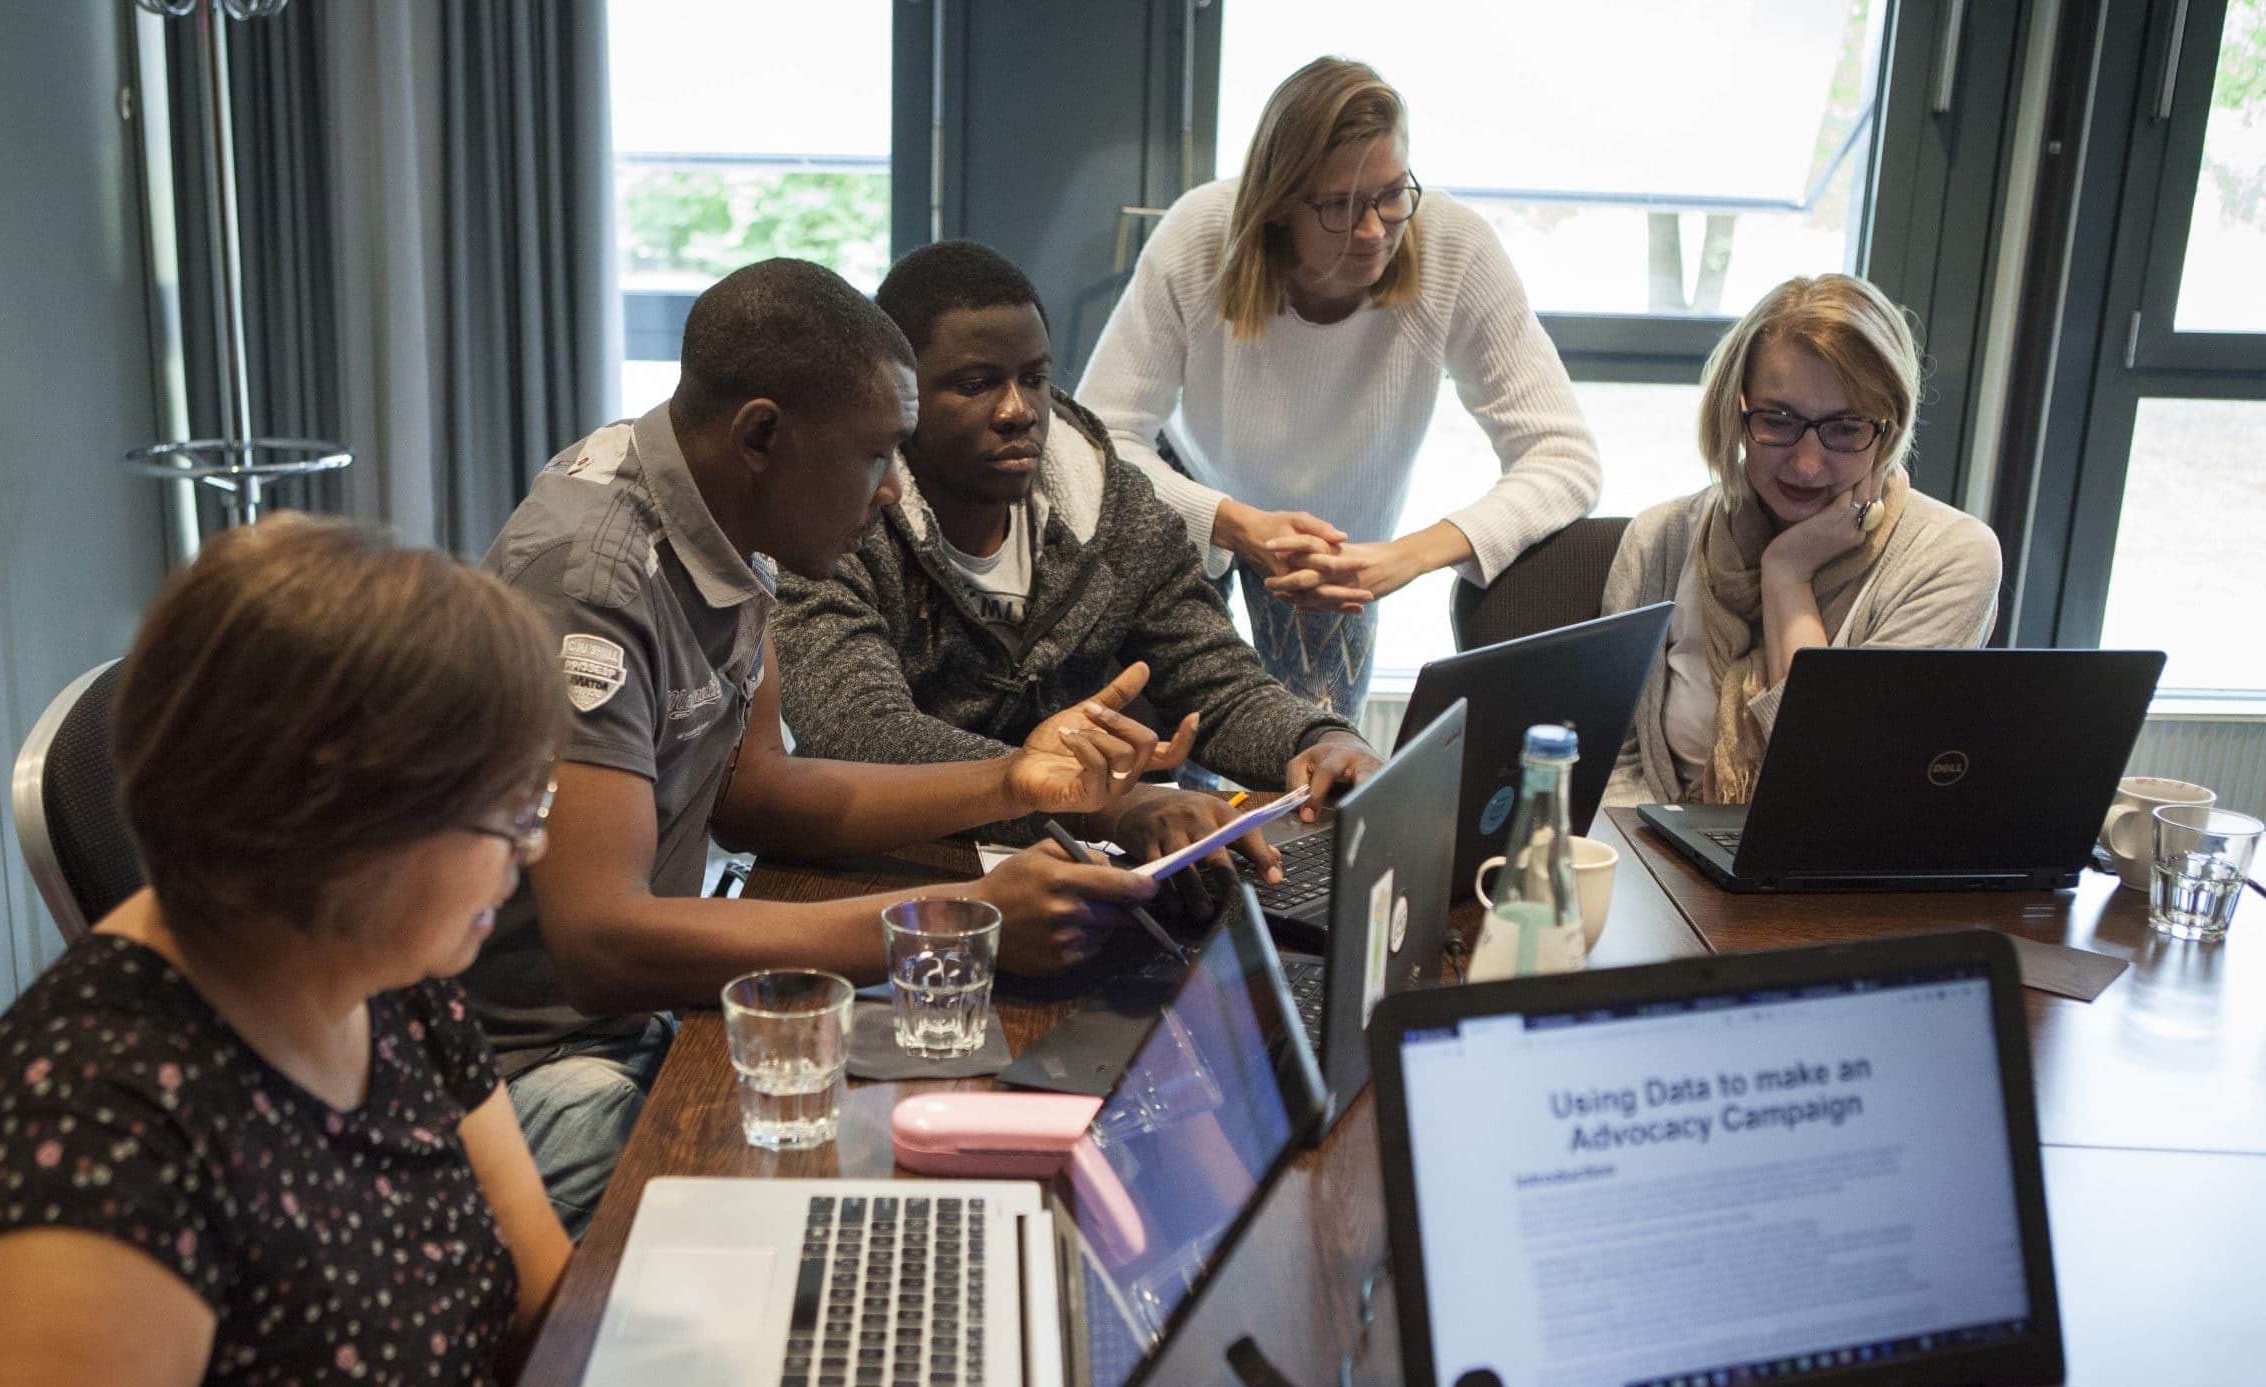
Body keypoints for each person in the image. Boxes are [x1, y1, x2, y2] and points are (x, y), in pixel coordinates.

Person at [0, 514, 880, 1387]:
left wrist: (783, 1347)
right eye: (511, 816)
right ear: (341, 826)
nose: (530, 856)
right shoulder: (100, 1134)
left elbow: (536, 1306)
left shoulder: (381, 977)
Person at [468, 258, 1163, 1233]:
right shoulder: (591, 584)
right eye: (876, 455)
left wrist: (1012, 777)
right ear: (762, 434)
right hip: (546, 1064)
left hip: (637, 1015)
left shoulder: (717, 503)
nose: (889, 493)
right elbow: (600, 943)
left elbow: (755, 792)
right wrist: (952, 916)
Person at [775, 238, 1386, 875]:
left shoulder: (1109, 504)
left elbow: (1217, 682)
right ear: (902, 394)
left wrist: (1319, 738)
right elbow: (858, 734)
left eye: (1034, 378)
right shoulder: (838, 516)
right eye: (976, 384)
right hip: (894, 864)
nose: (1018, 412)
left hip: (1081, 866)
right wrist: (1090, 805)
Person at [1078, 55, 1599, 724]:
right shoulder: (1201, 234)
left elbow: (1566, 458)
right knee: (1189, 736)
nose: (1374, 230)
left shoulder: (1454, 248)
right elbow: (1097, 440)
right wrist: (1233, 523)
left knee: (1313, 750)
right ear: (1278, 206)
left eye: (1390, 195)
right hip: (1197, 484)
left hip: (1340, 538)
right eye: (1338, 205)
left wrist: (1404, 558)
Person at [1602, 274, 2002, 806]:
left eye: (1845, 428)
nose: (1807, 463)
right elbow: (1617, 760)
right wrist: (1644, 873)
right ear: (1736, 409)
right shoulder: (1662, 539)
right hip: (1661, 853)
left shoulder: (1949, 558)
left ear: (1890, 427)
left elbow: (1841, 777)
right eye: (1778, 420)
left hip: (1834, 874)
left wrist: (1788, 574)